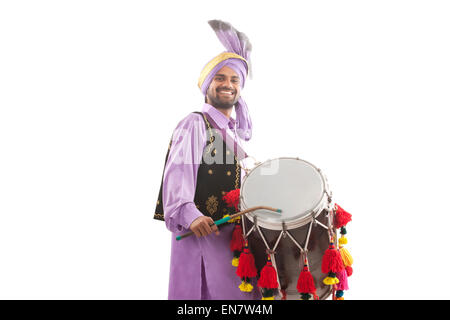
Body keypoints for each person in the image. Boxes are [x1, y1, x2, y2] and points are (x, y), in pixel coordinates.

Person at [153, 20, 260, 300]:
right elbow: (178, 174)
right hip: (201, 240)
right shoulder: (194, 124)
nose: (228, 84)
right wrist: (191, 215)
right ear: (207, 85)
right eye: (220, 78)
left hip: (232, 245)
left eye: (234, 79)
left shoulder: (233, 138)